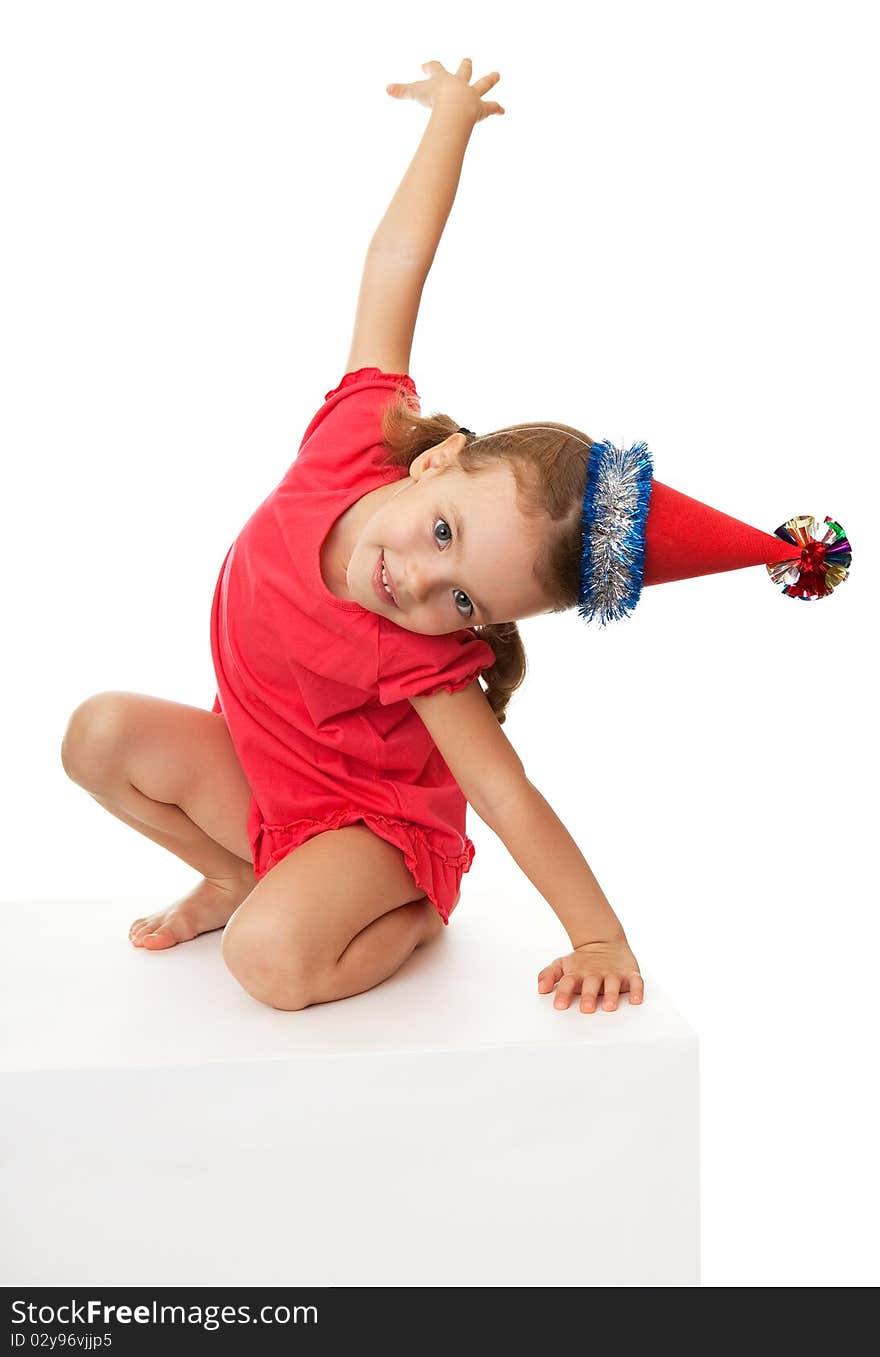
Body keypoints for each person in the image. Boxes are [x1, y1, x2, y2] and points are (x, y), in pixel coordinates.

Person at [61, 58, 841, 1016]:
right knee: (99, 735)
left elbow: (507, 797)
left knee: (269, 964)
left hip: (364, 826)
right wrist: (451, 121)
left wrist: (599, 936)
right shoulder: (358, 438)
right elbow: (398, 266)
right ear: (435, 462)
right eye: (442, 534)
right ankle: (233, 874)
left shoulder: (423, 656)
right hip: (267, 780)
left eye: (465, 600)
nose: (422, 585)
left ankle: (409, 909)